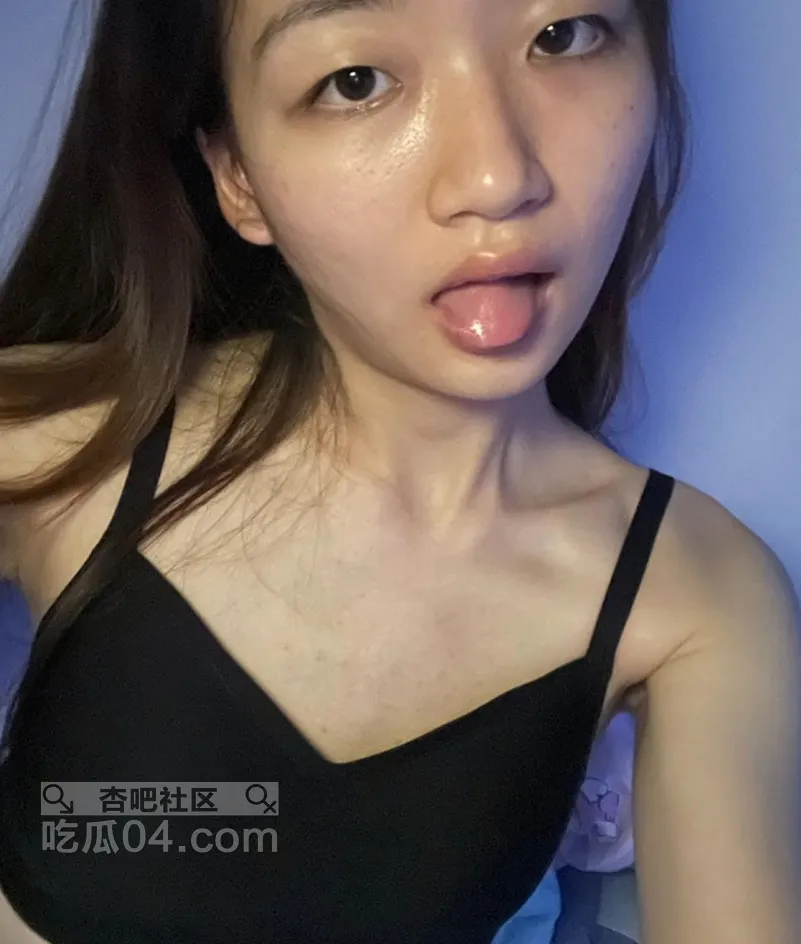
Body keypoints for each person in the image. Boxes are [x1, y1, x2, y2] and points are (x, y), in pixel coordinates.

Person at [0, 0, 798, 941]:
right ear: (238, 178)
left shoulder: (697, 594)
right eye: (354, 82)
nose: (496, 178)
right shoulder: (57, 440)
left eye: (562, 35)